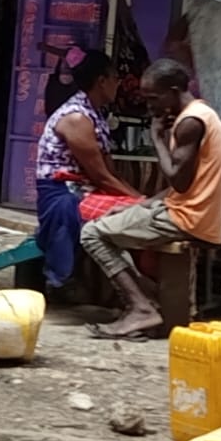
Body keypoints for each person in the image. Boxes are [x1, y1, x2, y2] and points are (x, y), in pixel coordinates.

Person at [80, 59, 221, 340]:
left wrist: (157, 137)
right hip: (190, 210)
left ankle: (140, 307)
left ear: (173, 91)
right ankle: (147, 300)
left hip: (189, 218)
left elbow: (178, 180)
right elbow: (188, 185)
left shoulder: (190, 124)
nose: (150, 106)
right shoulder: (203, 113)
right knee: (109, 221)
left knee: (91, 234)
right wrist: (145, 204)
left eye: (153, 98)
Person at [33, 50, 145, 289]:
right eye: (115, 77)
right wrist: (140, 201)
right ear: (101, 81)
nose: (118, 83)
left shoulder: (95, 114)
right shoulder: (76, 118)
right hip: (62, 193)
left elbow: (109, 173)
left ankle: (136, 287)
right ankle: (66, 281)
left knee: (137, 211)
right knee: (132, 215)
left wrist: (138, 199)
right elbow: (101, 176)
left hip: (84, 188)